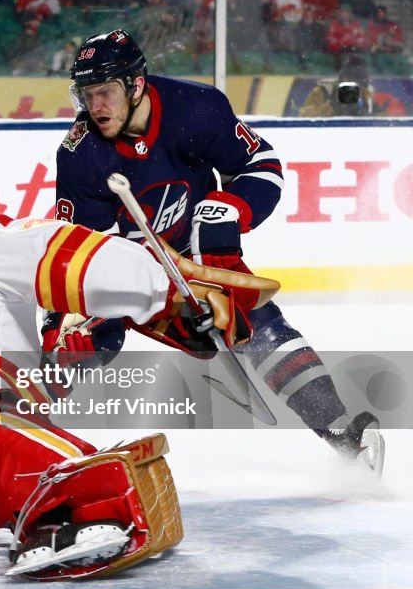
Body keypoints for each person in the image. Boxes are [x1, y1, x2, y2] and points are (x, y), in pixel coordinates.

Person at [0, 161, 280, 580]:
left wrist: (58, 366)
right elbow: (72, 258)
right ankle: (68, 518)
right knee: (112, 486)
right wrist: (168, 291)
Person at [49, 29, 384, 473]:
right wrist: (68, 320)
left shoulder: (197, 108)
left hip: (198, 252)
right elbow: (80, 252)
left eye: (106, 91)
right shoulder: (81, 153)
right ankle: (20, 428)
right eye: (87, 94)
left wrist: (230, 210)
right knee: (78, 340)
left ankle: (341, 431)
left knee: (253, 317)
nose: (96, 107)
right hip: (127, 264)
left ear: (136, 84)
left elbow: (260, 165)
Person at [298, 53, 376, 117]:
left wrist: (373, 113)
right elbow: (303, 117)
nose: (350, 88)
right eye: (348, 79)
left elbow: (378, 125)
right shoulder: (325, 91)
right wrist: (330, 107)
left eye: (357, 82)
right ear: (341, 78)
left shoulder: (367, 94)